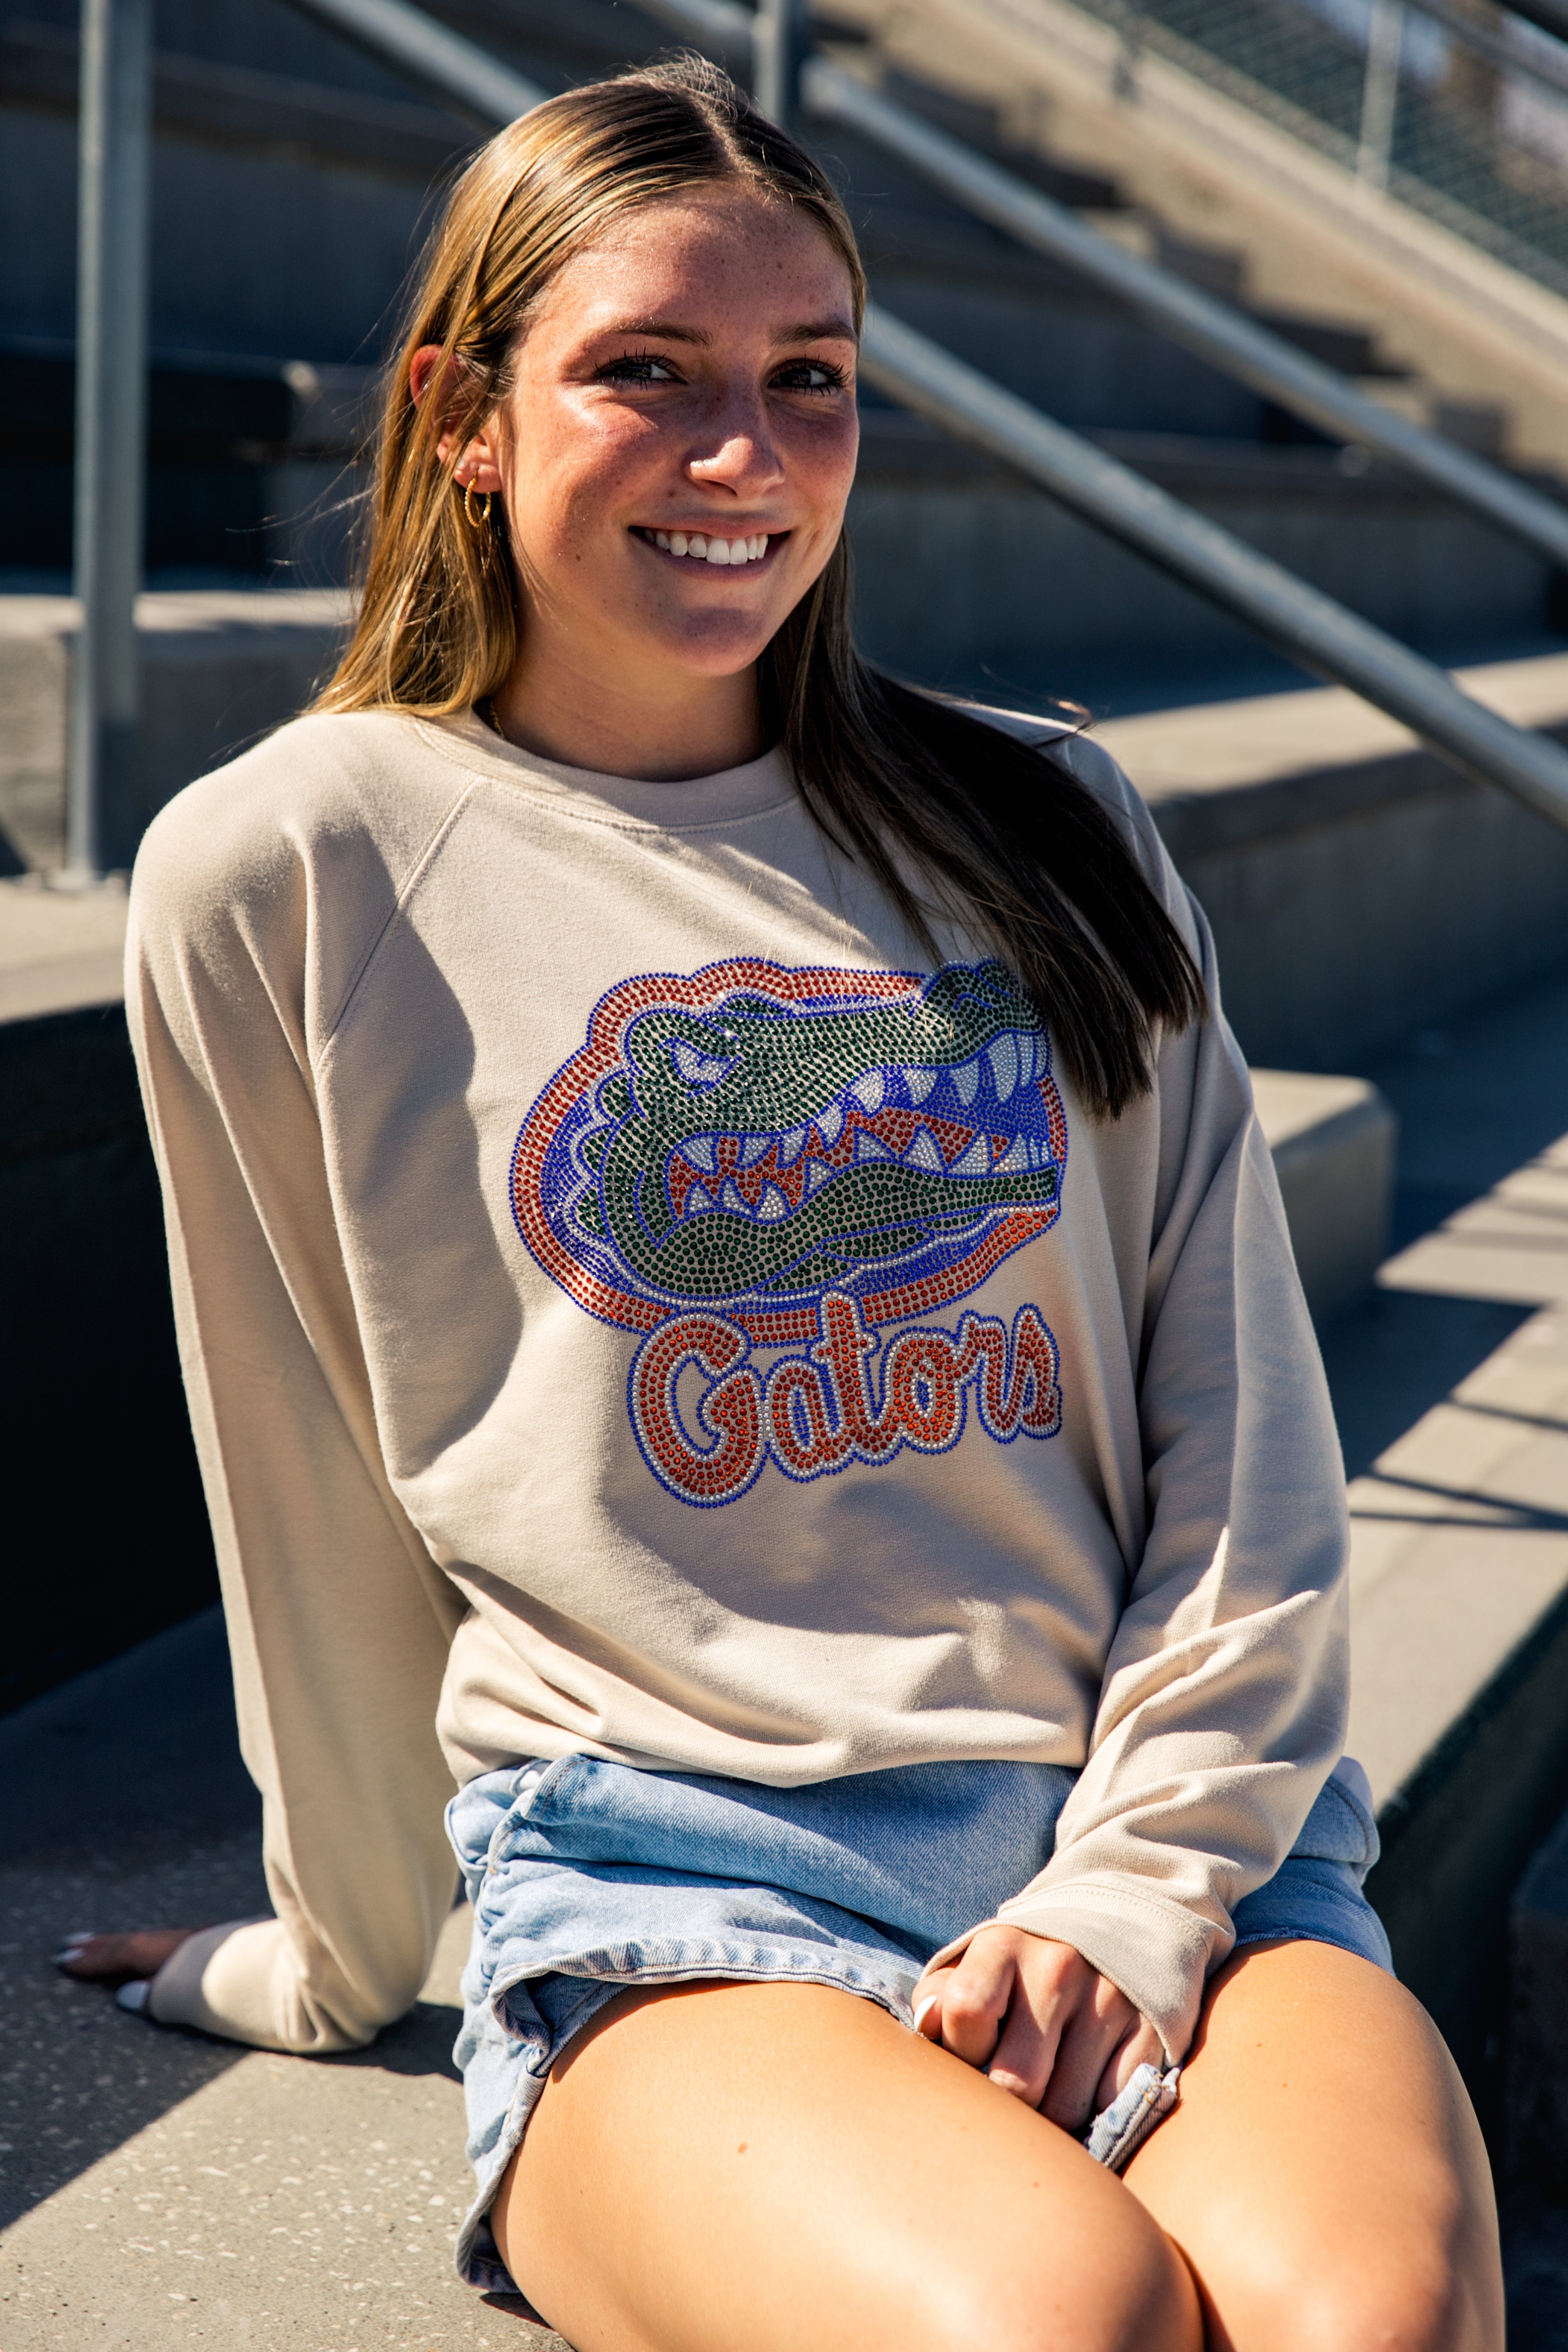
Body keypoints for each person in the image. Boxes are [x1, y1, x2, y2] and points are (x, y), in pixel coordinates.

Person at [60, 57, 1502, 2352]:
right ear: (461, 409)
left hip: (1155, 1829)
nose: (747, 458)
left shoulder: (1051, 822)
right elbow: (305, 1485)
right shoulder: (300, 863)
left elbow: (1247, 1440)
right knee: (1061, 2327)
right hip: (676, 1872)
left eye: (807, 381)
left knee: (1361, 2329)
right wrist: (328, 1955)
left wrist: (1142, 1889)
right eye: (652, 372)